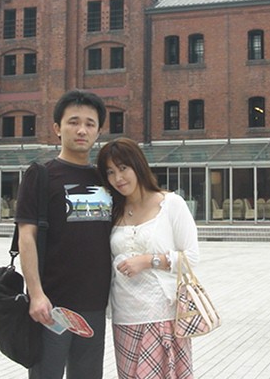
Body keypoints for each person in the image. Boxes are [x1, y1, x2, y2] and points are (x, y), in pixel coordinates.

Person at [16, 90, 112, 379]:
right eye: (73, 122)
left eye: (90, 124)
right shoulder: (41, 175)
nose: (82, 130)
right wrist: (36, 295)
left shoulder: (105, 178)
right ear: (57, 128)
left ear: (98, 131)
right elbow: (26, 237)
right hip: (52, 306)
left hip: (94, 305)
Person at [96, 137, 199, 379]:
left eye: (123, 168)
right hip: (124, 316)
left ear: (138, 165)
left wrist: (147, 260)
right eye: (110, 172)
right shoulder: (113, 210)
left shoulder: (171, 204)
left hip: (162, 313)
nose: (118, 178)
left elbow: (191, 258)